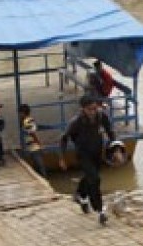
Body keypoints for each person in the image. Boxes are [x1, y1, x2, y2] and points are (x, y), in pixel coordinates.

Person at [60, 95, 116, 225]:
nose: (93, 112)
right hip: (83, 154)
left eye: (95, 108)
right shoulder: (76, 122)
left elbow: (110, 131)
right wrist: (62, 158)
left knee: (91, 177)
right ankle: (100, 210)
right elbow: (64, 138)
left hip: (97, 153)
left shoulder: (102, 116)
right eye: (90, 109)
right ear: (83, 109)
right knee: (95, 179)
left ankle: (80, 194)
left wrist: (116, 148)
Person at [18, 104, 47, 178]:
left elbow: (32, 133)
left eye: (20, 113)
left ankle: (44, 178)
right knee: (38, 164)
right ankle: (43, 178)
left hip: (34, 146)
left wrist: (39, 143)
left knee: (39, 164)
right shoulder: (28, 120)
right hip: (32, 146)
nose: (19, 115)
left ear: (23, 113)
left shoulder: (27, 121)